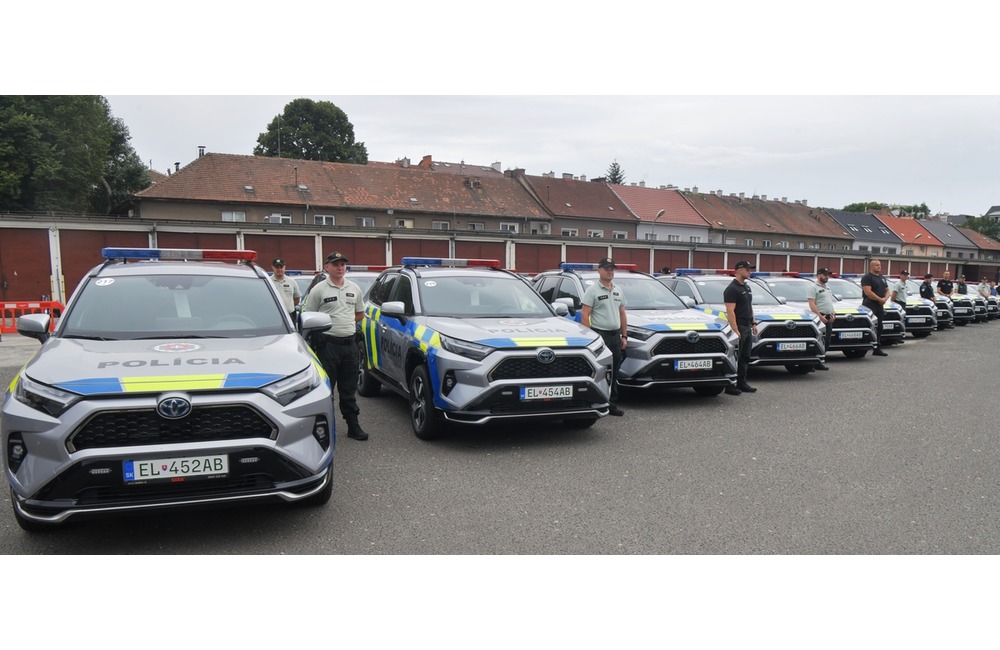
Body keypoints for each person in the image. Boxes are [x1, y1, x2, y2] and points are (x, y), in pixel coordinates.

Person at [301, 251, 369, 440]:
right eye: (336, 264)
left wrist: (344, 324)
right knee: (325, 390)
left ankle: (353, 426)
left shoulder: (354, 288)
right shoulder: (319, 290)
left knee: (348, 390)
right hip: (327, 346)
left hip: (349, 346)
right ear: (327, 267)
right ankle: (324, 429)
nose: (340, 267)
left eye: (343, 264)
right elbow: (308, 316)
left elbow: (359, 314)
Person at [580, 256, 627, 416]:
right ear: (599, 270)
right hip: (600, 336)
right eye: (606, 269)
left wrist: (624, 336)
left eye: (612, 269)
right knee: (600, 372)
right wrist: (590, 339)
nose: (610, 271)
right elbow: (585, 315)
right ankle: (597, 401)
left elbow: (622, 314)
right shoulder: (592, 290)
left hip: (615, 336)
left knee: (614, 370)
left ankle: (612, 404)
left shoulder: (617, 290)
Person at [723, 260, 758, 394]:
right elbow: (730, 311)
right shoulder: (732, 289)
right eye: (747, 269)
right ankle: (730, 385)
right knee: (736, 357)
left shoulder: (746, 287)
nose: (750, 272)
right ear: (738, 270)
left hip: (747, 325)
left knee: (745, 356)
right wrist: (735, 330)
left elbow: (749, 306)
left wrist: (754, 322)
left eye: (750, 269)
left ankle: (742, 383)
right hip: (739, 326)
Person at [807, 267, 836, 371]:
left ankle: (820, 360)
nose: (827, 277)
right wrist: (820, 316)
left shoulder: (827, 288)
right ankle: (812, 363)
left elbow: (829, 302)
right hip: (820, 317)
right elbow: (812, 304)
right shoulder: (813, 287)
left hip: (829, 317)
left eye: (827, 275)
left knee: (827, 341)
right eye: (824, 275)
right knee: (818, 340)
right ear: (819, 275)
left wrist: (833, 314)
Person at [861, 259, 890, 357]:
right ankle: (864, 346)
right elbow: (868, 292)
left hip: (880, 305)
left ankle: (877, 347)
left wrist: (885, 298)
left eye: (880, 265)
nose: (879, 267)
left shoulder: (882, 278)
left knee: (879, 326)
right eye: (877, 265)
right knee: (869, 325)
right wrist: (879, 299)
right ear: (872, 267)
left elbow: (887, 290)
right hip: (870, 304)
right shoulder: (867, 277)